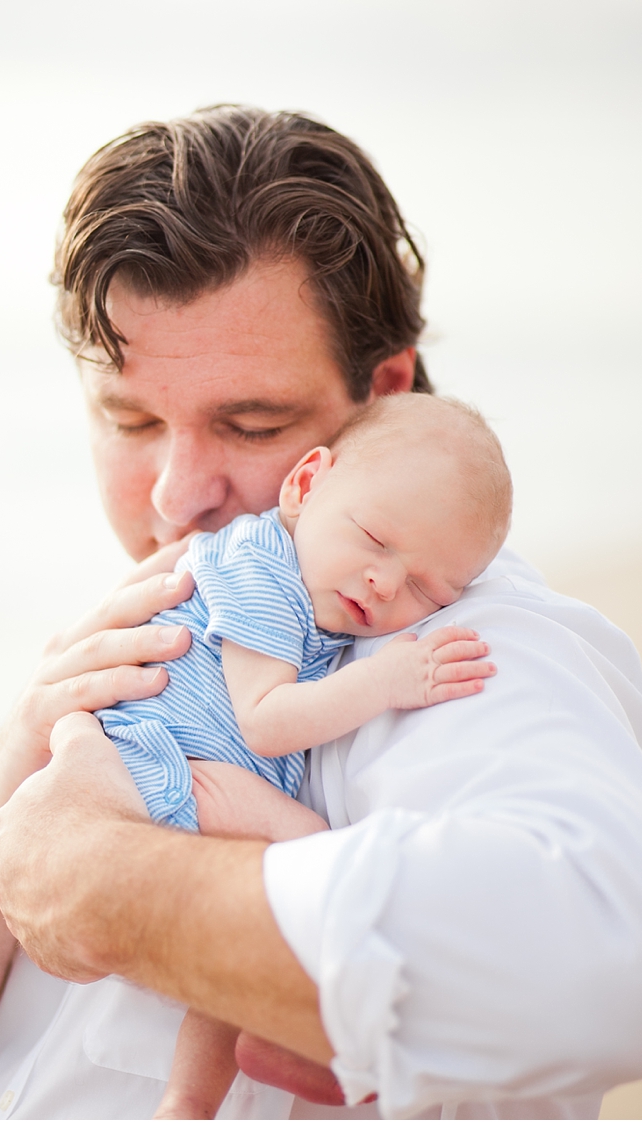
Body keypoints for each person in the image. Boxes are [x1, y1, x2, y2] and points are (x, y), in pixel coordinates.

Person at [0, 107, 642, 1121]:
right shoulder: (166, 609)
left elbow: (614, 962)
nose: (174, 496)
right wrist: (8, 779)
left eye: (250, 423)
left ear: (381, 394)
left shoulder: (447, 642)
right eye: (133, 422)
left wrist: (104, 882)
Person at [100, 393, 508, 1120]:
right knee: (311, 856)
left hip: (202, 764)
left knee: (249, 915)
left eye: (424, 588)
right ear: (306, 485)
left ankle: (190, 1098)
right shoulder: (264, 563)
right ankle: (239, 1068)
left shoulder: (324, 583)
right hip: (165, 757)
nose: (385, 582)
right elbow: (264, 721)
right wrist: (386, 678)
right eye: (376, 539)